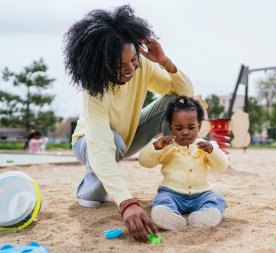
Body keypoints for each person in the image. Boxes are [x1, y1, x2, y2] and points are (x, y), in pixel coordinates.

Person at [63, 5, 193, 242]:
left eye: (133, 60)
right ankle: (90, 187)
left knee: (175, 102)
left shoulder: (141, 66)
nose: (131, 69)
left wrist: (165, 62)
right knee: (93, 196)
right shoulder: (94, 89)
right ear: (101, 63)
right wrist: (126, 203)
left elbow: (185, 96)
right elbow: (101, 146)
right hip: (89, 142)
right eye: (121, 66)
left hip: (128, 136)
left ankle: (179, 184)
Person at [139, 96, 229, 230]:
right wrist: (156, 147)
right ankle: (168, 216)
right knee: (162, 199)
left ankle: (204, 216)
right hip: (172, 193)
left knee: (217, 198)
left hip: (201, 194)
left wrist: (212, 151)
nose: (185, 132)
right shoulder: (166, 146)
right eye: (179, 128)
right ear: (171, 127)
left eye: (191, 127)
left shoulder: (206, 146)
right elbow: (145, 162)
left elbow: (222, 167)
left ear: (199, 126)